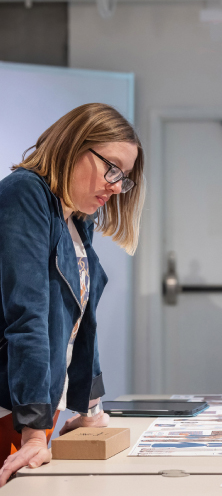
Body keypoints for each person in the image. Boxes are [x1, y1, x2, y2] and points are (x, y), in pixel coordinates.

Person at [0, 103, 145, 486]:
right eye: (111, 168)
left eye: (124, 177)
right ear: (75, 144)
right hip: (13, 413)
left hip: (34, 415)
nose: (116, 186)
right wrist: (32, 431)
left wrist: (89, 409)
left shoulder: (76, 219)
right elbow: (27, 315)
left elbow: (82, 323)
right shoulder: (24, 194)